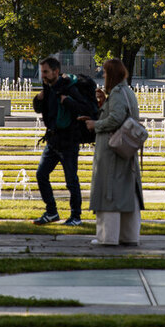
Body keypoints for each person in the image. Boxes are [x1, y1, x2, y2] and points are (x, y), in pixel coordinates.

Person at [83, 59, 143, 246]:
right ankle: (128, 235)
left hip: (112, 151)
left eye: (106, 72)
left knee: (109, 192)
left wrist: (95, 125)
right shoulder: (127, 92)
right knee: (126, 193)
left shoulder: (117, 93)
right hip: (125, 151)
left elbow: (116, 119)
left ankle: (107, 236)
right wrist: (103, 105)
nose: (103, 75)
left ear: (112, 75)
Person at [32, 57, 94, 226]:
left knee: (71, 181)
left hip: (68, 141)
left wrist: (68, 101)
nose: (43, 75)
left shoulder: (69, 88)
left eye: (45, 72)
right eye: (42, 71)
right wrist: (38, 98)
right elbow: (39, 109)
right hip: (52, 140)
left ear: (56, 72)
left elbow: (85, 109)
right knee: (41, 175)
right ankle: (51, 211)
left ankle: (76, 216)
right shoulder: (47, 88)